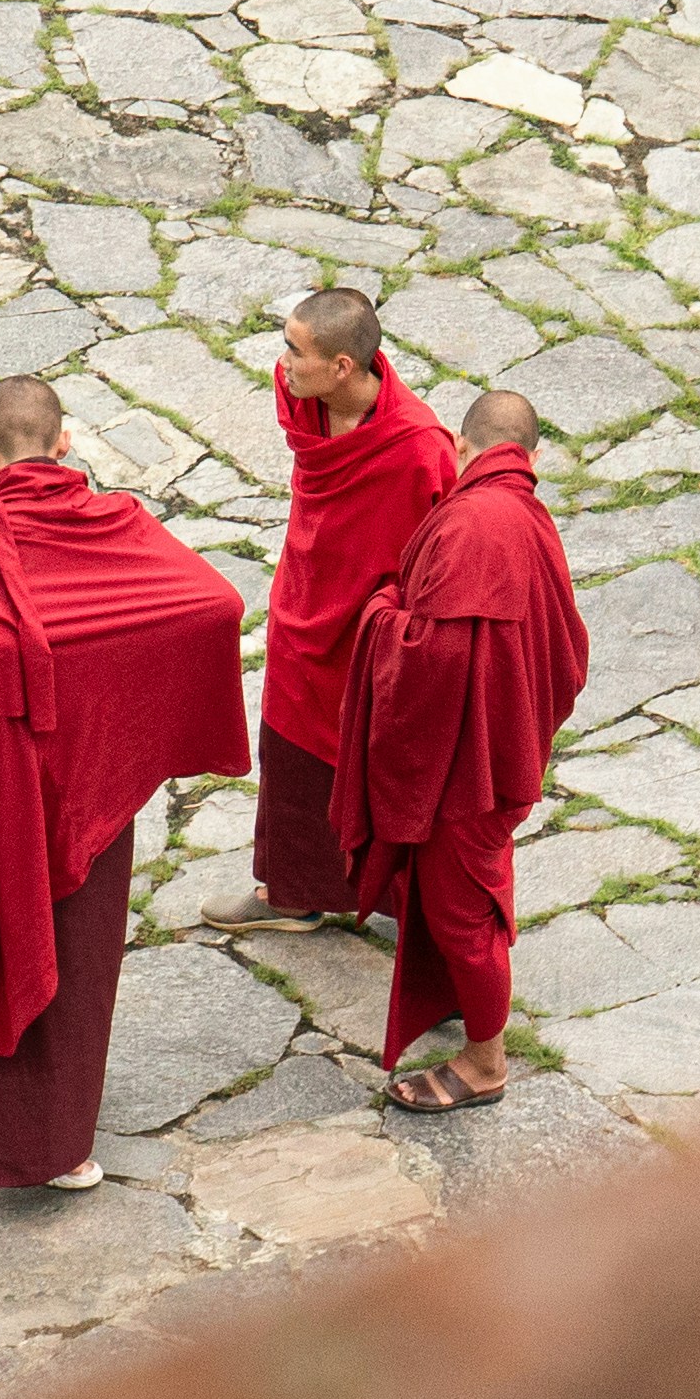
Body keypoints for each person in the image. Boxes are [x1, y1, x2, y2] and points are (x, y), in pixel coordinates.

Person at [0, 377, 249, 1188]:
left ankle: (25, 1141)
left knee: (11, 935)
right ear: (65, 443)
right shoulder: (118, 523)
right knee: (84, 954)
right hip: (97, 785)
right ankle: (64, 1139)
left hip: (14, 795)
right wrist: (116, 709)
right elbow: (214, 604)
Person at [331, 388, 591, 1113]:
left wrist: (382, 612)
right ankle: (463, 1013)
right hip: (502, 748)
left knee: (462, 912)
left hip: (468, 772)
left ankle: (486, 1062)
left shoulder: (469, 525)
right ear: (532, 458)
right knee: (468, 894)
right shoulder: (530, 516)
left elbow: (432, 661)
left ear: (462, 448)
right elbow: (568, 650)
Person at [209, 286, 456, 941]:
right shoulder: (299, 395)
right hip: (304, 599)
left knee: (378, 768)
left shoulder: (419, 447)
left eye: (297, 349)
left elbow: (439, 554)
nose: (282, 361)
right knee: (289, 750)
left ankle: (417, 915)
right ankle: (290, 893)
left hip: (369, 632)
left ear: (343, 367)